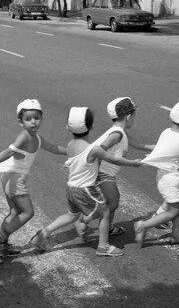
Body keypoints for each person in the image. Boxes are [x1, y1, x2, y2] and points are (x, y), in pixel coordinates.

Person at [29, 108, 142, 258]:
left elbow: (60, 151)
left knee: (71, 216)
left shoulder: (70, 145)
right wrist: (133, 163)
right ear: (91, 127)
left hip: (71, 188)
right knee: (105, 212)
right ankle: (103, 246)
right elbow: (114, 159)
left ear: (68, 128)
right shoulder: (93, 149)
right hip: (85, 190)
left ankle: (42, 234)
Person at [0, 99, 65, 257]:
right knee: (28, 213)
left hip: (10, 179)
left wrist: (72, 151)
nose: (33, 122)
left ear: (41, 118)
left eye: (36, 118)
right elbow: (9, 152)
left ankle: (0, 244)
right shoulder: (24, 137)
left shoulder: (37, 137)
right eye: (28, 119)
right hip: (15, 182)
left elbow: (53, 148)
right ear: (20, 122)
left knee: (15, 211)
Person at [134, 100, 179, 246]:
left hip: (168, 176)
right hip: (171, 179)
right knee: (173, 211)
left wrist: (137, 144)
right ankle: (143, 225)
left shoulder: (167, 132)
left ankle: (176, 235)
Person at [89, 97, 154, 239]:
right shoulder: (117, 134)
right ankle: (85, 220)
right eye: (135, 114)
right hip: (103, 173)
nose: (135, 118)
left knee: (112, 201)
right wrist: (132, 163)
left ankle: (108, 227)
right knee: (113, 202)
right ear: (129, 116)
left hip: (104, 173)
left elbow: (137, 144)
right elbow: (100, 150)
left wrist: (155, 148)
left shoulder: (119, 131)